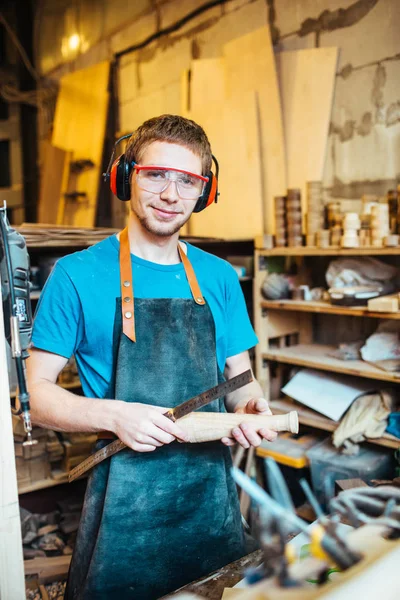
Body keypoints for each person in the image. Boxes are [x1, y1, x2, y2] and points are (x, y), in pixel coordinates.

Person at [27, 114, 277, 600]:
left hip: (210, 497)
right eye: (156, 175)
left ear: (204, 192)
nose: (170, 194)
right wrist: (115, 415)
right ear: (126, 177)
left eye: (187, 181)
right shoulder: (76, 275)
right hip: (125, 502)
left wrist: (250, 409)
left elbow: (241, 380)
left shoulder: (220, 276)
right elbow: (37, 396)